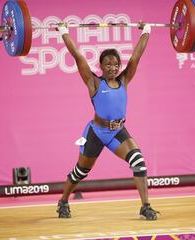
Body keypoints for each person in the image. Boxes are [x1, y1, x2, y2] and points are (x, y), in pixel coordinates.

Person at [56, 22, 159, 220]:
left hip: (118, 132)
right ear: (101, 66)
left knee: (139, 162)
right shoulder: (94, 82)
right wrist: (64, 31)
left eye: (115, 64)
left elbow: (136, 57)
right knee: (80, 172)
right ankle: (63, 201)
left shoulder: (124, 80)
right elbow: (78, 56)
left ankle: (145, 206)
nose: (112, 68)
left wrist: (146, 31)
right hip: (96, 132)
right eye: (108, 64)